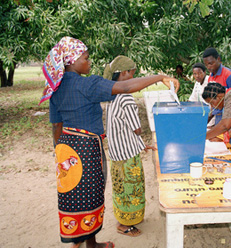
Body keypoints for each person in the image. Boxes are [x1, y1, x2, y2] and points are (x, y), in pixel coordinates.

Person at [40, 36, 179, 248]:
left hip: (66, 150)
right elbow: (125, 87)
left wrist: (59, 156)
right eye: (85, 58)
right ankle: (84, 244)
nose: (89, 62)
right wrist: (159, 77)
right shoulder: (88, 84)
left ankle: (86, 242)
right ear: (71, 60)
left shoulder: (56, 89)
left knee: (75, 196)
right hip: (87, 149)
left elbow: (56, 126)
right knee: (92, 196)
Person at [103, 55, 155, 237]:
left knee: (120, 188)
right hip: (127, 155)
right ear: (124, 73)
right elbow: (137, 129)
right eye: (133, 74)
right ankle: (125, 225)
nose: (135, 78)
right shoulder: (125, 97)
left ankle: (125, 218)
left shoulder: (112, 94)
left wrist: (143, 145)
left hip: (117, 152)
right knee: (131, 188)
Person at [202, 47, 231, 147]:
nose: (209, 67)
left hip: (230, 120)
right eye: (206, 65)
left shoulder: (229, 75)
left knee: (230, 147)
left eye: (211, 63)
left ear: (218, 59)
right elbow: (213, 102)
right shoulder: (211, 76)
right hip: (219, 118)